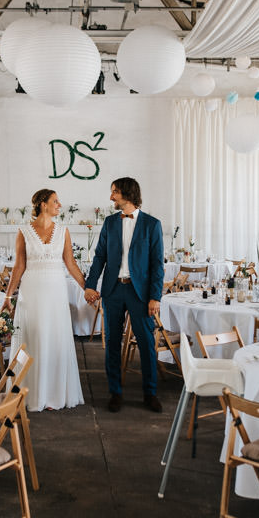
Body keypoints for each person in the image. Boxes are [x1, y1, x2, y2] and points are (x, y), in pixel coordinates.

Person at [84, 177, 164, 413]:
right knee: (112, 344)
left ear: (127, 194)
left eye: (115, 192)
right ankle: (115, 392)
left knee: (147, 343)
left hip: (140, 293)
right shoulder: (109, 223)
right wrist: (90, 284)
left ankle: (150, 393)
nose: (111, 197)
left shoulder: (152, 224)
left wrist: (155, 297)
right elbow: (99, 257)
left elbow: (157, 265)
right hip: (113, 290)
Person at [1, 189, 85, 411]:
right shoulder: (24, 232)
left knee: (54, 337)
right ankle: (30, 393)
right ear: (43, 205)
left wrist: (88, 288)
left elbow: (71, 263)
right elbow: (19, 266)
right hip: (32, 291)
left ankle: (53, 394)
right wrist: (8, 296)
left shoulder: (63, 231)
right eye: (55, 201)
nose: (60, 205)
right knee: (33, 336)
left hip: (56, 291)